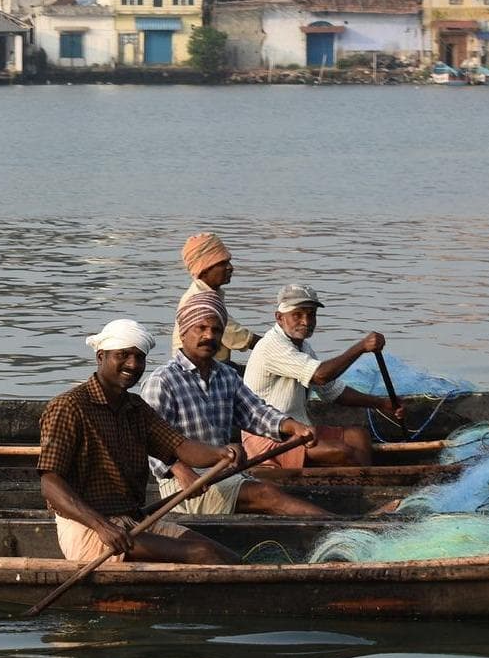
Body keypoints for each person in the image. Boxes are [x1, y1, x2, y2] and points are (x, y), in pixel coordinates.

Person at [39, 319, 242, 563]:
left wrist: (221, 453)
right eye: (123, 355)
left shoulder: (136, 408)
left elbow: (181, 446)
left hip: (133, 521)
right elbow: (50, 483)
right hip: (89, 530)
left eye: (139, 357)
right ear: (101, 357)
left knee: (223, 554)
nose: (133, 364)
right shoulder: (68, 407)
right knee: (202, 554)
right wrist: (102, 526)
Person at [142, 291, 327, 517]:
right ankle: (339, 527)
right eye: (201, 328)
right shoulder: (162, 381)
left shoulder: (226, 375)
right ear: (183, 332)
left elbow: (256, 414)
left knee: (273, 492)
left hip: (224, 473)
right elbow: (148, 441)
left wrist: (293, 426)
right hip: (183, 486)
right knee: (266, 494)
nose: (209, 336)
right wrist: (181, 471)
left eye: (216, 330)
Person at [242, 284, 405, 468]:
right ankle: (360, 481)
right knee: (341, 452)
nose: (306, 321)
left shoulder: (303, 347)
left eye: (311, 315)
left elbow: (333, 391)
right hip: (268, 436)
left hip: (301, 430)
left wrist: (382, 404)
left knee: (359, 436)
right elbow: (320, 376)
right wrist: (361, 347)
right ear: (279, 318)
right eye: (297, 315)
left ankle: (365, 479)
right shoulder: (271, 346)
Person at [171, 232, 258, 364]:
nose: (230, 268)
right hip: (197, 367)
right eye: (223, 263)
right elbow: (237, 337)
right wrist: (272, 346)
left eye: (229, 262)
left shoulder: (210, 293)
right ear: (204, 269)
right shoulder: (200, 300)